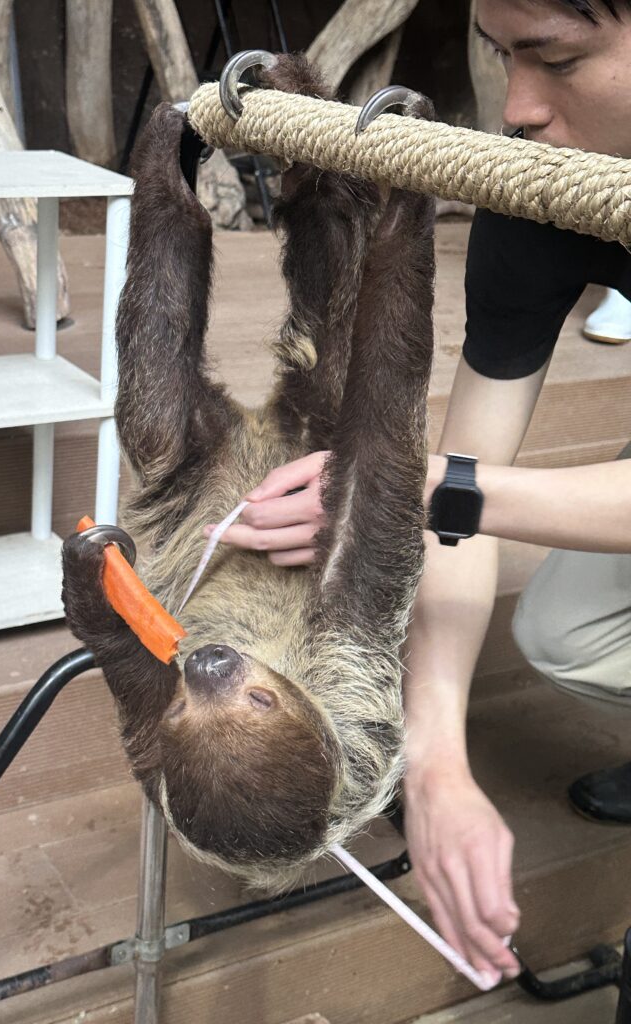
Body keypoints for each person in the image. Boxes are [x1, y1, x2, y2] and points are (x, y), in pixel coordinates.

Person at [205, 0, 631, 988]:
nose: (517, 107)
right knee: (567, 632)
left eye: (557, 59)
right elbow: (465, 475)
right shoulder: (542, 185)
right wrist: (434, 753)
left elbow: (453, 492)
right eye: (503, 56)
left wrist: (417, 488)